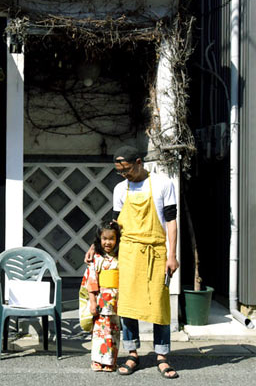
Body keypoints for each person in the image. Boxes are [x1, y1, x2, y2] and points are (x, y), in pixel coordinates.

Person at [85, 145, 179, 379]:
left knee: (159, 305)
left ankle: (162, 356)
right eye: (120, 171)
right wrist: (94, 246)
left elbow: (171, 222)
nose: (124, 174)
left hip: (155, 251)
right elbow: (114, 225)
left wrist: (172, 255)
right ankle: (132, 353)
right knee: (126, 306)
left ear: (139, 162)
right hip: (127, 251)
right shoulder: (120, 188)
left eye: (126, 169)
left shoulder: (163, 184)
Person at [82, 221, 121, 372]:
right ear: (99, 239)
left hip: (116, 298)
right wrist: (92, 302)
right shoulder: (96, 257)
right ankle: (97, 360)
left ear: (117, 239)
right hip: (100, 299)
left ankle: (111, 361)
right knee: (99, 332)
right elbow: (92, 281)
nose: (108, 242)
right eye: (104, 238)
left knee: (113, 330)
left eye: (111, 238)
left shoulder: (120, 257)